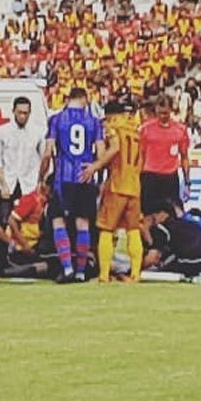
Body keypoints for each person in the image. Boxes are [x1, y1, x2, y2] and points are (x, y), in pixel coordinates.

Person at [41, 87, 104, 282]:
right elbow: (101, 154)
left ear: (68, 99)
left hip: (63, 179)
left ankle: (67, 267)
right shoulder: (94, 122)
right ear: (85, 99)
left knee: (58, 220)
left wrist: (41, 177)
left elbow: (47, 152)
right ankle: (81, 271)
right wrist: (94, 171)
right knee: (83, 223)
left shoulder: (56, 120)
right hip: (84, 178)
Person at [81, 98, 144, 283]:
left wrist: (95, 166)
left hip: (117, 185)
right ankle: (135, 274)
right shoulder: (135, 131)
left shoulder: (112, 128)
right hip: (134, 186)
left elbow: (115, 148)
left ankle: (104, 275)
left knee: (106, 229)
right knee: (133, 231)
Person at [0, 96, 44, 223]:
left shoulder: (38, 132)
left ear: (30, 113)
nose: (22, 116)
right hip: (9, 182)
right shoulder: (2, 132)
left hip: (29, 183)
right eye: (20, 112)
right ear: (13, 111)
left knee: (30, 221)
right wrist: (3, 184)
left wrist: (40, 182)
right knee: (5, 220)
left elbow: (44, 158)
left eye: (25, 113)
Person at [142, 201, 201, 278]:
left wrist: (134, 269)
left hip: (194, 260)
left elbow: (153, 258)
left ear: (163, 214)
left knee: (165, 266)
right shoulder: (189, 224)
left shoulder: (162, 228)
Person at [139, 94, 190, 215]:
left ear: (171, 110)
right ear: (156, 110)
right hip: (149, 177)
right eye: (160, 113)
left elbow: (184, 157)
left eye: (165, 113)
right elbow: (140, 156)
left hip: (170, 178)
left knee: (175, 216)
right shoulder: (145, 129)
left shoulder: (180, 130)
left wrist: (187, 181)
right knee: (146, 216)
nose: (163, 116)